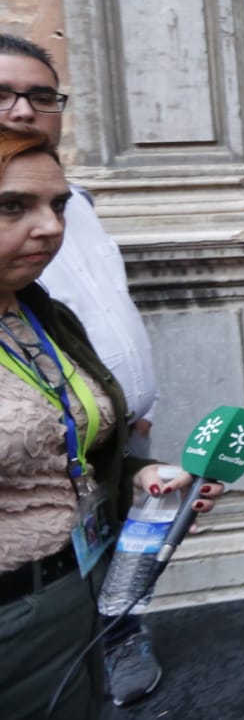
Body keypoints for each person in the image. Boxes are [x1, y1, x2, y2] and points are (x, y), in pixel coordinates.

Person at [0, 125, 219, 720]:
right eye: (13, 206)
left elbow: (63, 446)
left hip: (78, 594)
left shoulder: (41, 312)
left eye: (58, 205)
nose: (50, 227)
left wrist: (137, 478)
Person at [0, 34, 169, 706]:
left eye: (41, 96)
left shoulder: (41, 285)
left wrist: (117, 440)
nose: (48, 229)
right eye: (13, 208)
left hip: (80, 536)